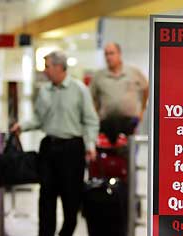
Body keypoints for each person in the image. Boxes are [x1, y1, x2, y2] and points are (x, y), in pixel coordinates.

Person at [11, 51, 99, 236]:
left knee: (71, 198)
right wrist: (22, 126)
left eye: (47, 66)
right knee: (46, 198)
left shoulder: (79, 89)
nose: (44, 71)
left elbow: (91, 120)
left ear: (59, 67)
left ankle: (66, 233)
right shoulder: (44, 90)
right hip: (49, 148)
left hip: (72, 149)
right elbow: (38, 118)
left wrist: (90, 145)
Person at [90, 42, 149, 126]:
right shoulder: (98, 76)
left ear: (119, 54)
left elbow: (146, 88)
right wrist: (95, 115)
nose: (108, 57)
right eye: (106, 54)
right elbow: (92, 97)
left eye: (111, 53)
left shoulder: (133, 72)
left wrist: (142, 110)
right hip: (106, 123)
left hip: (131, 122)